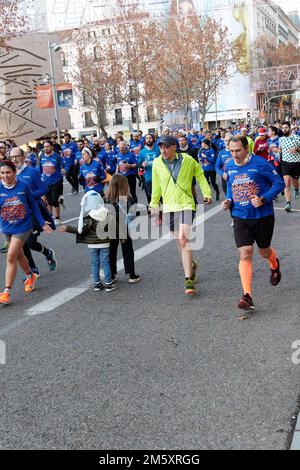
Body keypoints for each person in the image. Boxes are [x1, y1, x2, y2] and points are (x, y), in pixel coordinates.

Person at [222, 135, 285, 312]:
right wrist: (228, 200)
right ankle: (247, 295)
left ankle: (274, 264)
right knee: (245, 253)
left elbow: (278, 183)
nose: (234, 154)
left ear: (246, 149)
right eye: (232, 151)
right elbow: (230, 188)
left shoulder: (261, 163)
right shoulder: (230, 165)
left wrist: (264, 198)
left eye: (238, 150)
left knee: (264, 251)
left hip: (262, 215)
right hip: (240, 216)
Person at [150, 135, 212, 295]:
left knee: (184, 239)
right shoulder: (157, 163)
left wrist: (206, 193)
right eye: (161, 147)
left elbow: (199, 174)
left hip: (186, 203)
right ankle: (191, 265)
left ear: (174, 147)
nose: (163, 150)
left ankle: (188, 279)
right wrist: (154, 205)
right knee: (180, 242)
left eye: (166, 146)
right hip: (169, 206)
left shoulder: (187, 160)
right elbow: (156, 186)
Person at [0, 160, 52, 305]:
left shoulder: (23, 186)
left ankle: (6, 292)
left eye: (8, 172)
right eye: (2, 173)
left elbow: (33, 205)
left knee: (11, 255)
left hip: (23, 226)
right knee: (18, 255)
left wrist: (42, 222)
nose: (5, 175)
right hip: (7, 227)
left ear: (14, 172)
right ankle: (30, 275)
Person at [10, 147, 57, 277]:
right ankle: (32, 269)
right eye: (12, 157)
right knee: (22, 244)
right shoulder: (9, 174)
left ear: (23, 157)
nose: (14, 159)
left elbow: (44, 189)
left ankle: (47, 252)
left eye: (16, 156)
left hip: (33, 212)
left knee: (30, 242)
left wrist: (28, 196)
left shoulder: (32, 172)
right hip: (18, 214)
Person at [59, 191, 116, 292]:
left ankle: (97, 284)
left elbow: (80, 230)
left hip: (92, 244)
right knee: (106, 262)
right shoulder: (108, 213)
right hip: (105, 242)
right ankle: (108, 283)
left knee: (95, 263)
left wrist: (67, 228)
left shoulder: (89, 217)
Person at [105, 174, 141, 284]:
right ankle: (131, 274)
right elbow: (134, 212)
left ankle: (112, 274)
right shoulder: (127, 198)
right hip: (123, 228)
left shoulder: (106, 198)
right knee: (127, 250)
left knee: (111, 251)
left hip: (110, 228)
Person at [39, 141, 64, 226]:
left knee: (54, 201)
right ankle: (50, 215)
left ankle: (58, 218)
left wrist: (64, 169)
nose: (46, 148)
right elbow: (40, 169)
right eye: (44, 146)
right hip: (46, 183)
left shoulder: (57, 157)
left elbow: (64, 165)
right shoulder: (41, 156)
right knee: (49, 202)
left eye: (48, 146)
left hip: (56, 181)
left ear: (52, 147)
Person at [279, 121, 300, 212]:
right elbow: (280, 149)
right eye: (283, 128)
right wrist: (276, 152)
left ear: (290, 128)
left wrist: (297, 149)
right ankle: (288, 203)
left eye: (286, 127)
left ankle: (296, 189)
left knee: (295, 182)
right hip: (285, 163)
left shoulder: (297, 138)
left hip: (296, 163)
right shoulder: (281, 139)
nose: (284, 129)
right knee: (287, 183)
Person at [138, 134, 160, 206]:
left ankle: (163, 211)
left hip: (159, 177)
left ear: (153, 139)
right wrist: (142, 165)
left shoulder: (158, 149)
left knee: (161, 196)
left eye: (150, 138)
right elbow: (139, 163)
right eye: (147, 138)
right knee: (150, 196)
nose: (148, 139)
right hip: (148, 177)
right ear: (145, 140)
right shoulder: (142, 152)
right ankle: (152, 211)